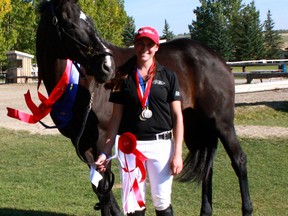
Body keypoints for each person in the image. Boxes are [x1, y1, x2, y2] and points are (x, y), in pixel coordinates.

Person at [95, 26, 183, 216]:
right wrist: (105, 151)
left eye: (150, 44)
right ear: (135, 46)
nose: (145, 48)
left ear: (157, 47)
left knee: (162, 202)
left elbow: (177, 116)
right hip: (130, 148)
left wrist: (177, 154)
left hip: (161, 146)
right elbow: (116, 118)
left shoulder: (169, 76)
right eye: (141, 43)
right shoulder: (122, 77)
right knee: (134, 205)